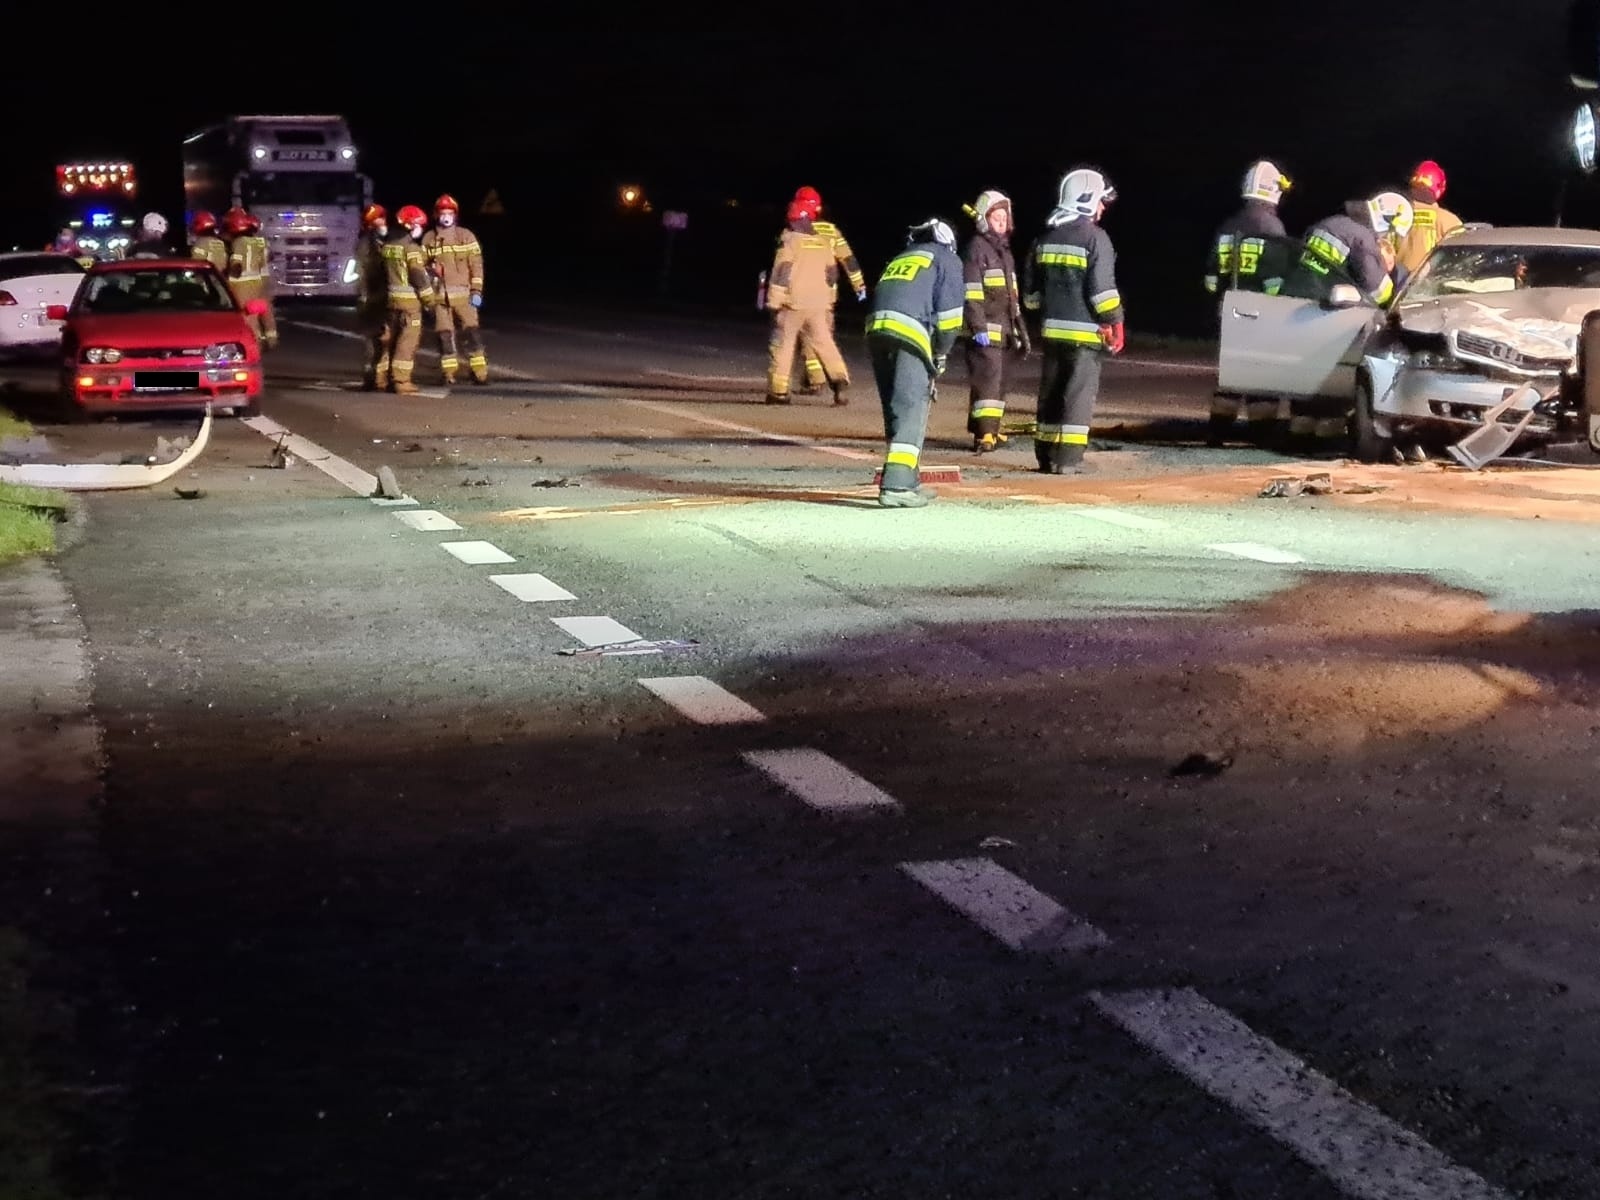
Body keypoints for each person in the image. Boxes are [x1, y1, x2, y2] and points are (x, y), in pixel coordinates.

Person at [1281, 191, 1414, 448]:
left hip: (1296, 309)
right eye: (1392, 233)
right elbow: (1378, 290)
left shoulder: (1329, 223)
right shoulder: (1362, 238)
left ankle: (1296, 436)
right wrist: (1391, 279)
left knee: (1304, 390)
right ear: (1387, 222)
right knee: (1331, 390)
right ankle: (1322, 446)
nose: (1389, 239)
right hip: (1329, 310)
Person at [1022, 167, 1125, 474]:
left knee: (1051, 394)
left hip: (1052, 332)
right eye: (1100, 201)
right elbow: (1102, 291)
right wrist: (1115, 323)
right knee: (1077, 397)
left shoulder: (1045, 237)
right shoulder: (1096, 239)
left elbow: (1030, 295)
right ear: (1086, 200)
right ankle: (1068, 460)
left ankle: (1046, 456)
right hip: (1086, 334)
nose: (1103, 207)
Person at [864, 218, 964, 508]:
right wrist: (941, 354)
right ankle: (896, 487)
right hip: (909, 333)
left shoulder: (903, 257)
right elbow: (950, 318)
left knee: (896, 409)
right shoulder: (947, 259)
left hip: (876, 331)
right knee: (911, 410)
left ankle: (908, 480)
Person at [1205, 160, 1293, 446]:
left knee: (1230, 371)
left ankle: (1218, 431)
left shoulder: (1227, 226)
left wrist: (1221, 300)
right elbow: (1276, 277)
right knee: (1261, 371)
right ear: (1272, 191)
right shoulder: (1271, 226)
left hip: (1228, 308)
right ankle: (1262, 434)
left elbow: (1210, 277)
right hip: (1260, 310)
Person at [764, 197, 851, 405]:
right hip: (819, 305)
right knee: (825, 344)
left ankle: (779, 392)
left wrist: (774, 302)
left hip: (792, 304)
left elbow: (781, 273)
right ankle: (839, 380)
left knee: (783, 346)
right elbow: (833, 275)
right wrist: (829, 299)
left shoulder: (790, 242)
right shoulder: (822, 242)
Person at [961, 189, 1027, 453]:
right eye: (996, 218)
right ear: (984, 219)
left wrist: (1019, 329)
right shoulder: (976, 249)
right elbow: (971, 292)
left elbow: (1012, 296)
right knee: (986, 382)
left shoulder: (1004, 252)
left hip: (1004, 330)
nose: (1001, 223)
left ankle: (991, 429)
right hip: (985, 330)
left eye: (1004, 218)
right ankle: (984, 435)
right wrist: (977, 327)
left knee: (999, 383)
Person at [788, 186, 867, 394]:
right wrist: (859, 286)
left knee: (808, 338)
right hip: (827, 296)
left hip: (803, 294)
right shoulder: (832, 231)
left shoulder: (797, 230)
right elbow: (848, 260)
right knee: (822, 338)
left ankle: (816, 380)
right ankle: (825, 379)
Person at [421, 194, 489, 385]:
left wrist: (476, 291)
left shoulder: (466, 237)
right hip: (440, 298)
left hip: (465, 296)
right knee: (444, 336)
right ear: (436, 215)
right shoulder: (429, 238)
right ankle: (448, 373)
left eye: (449, 212)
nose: (446, 216)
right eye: (443, 212)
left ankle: (479, 372)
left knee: (472, 334)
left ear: (455, 215)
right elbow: (419, 267)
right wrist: (430, 272)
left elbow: (476, 265)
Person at [380, 205, 437, 395]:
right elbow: (418, 276)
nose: (421, 229)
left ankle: (382, 378)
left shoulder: (388, 246)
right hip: (409, 303)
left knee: (391, 340)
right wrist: (430, 301)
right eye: (419, 225)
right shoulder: (411, 248)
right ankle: (401, 381)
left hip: (391, 301)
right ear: (411, 226)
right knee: (407, 342)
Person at [1395, 160, 1463, 277]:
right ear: (1440, 187)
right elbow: (1462, 257)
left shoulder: (1394, 213)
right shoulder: (1448, 221)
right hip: (1429, 287)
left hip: (1396, 285)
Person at [223, 207, 279, 349]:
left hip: (242, 284)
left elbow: (237, 265)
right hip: (260, 280)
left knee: (246, 315)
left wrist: (226, 275)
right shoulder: (260, 241)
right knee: (262, 311)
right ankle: (270, 339)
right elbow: (270, 257)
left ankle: (254, 343)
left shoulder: (239, 242)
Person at [355, 204, 391, 391]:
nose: (380, 223)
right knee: (374, 339)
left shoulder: (390, 240)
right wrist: (363, 296)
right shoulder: (365, 244)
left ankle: (381, 377)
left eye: (381, 218)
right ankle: (372, 377)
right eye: (375, 220)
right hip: (372, 298)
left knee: (386, 338)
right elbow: (359, 272)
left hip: (387, 296)